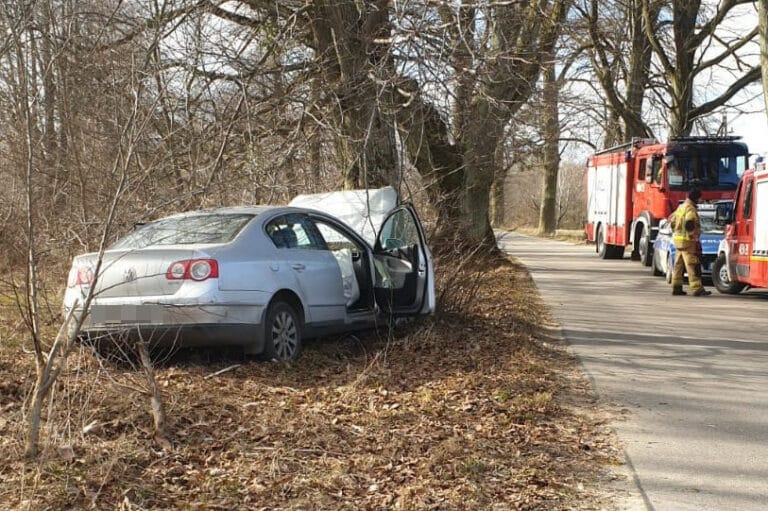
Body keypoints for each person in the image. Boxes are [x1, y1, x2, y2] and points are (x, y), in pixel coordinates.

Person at [668, 188, 711, 296]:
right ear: (696, 198)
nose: (701, 200)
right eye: (700, 198)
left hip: (678, 242)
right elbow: (689, 223)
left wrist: (676, 233)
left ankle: (676, 287)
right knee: (692, 265)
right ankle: (697, 289)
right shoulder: (690, 209)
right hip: (688, 242)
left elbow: (672, 221)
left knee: (678, 266)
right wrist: (694, 237)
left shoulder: (681, 207)